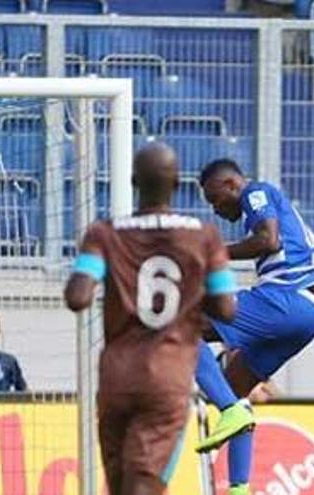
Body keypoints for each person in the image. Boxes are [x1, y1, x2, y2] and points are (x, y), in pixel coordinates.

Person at [63, 143, 237, 495]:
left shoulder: (104, 233)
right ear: (176, 184)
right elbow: (226, 309)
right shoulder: (204, 237)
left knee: (120, 483)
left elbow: (78, 297)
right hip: (168, 373)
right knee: (144, 482)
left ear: (132, 181)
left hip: (117, 376)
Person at [194, 158, 314, 495]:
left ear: (231, 185)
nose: (217, 209)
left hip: (285, 300)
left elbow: (268, 241)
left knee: (183, 325)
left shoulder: (256, 192)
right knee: (235, 387)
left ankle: (227, 411)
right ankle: (239, 488)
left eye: (215, 200)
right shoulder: (294, 220)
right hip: (310, 315)